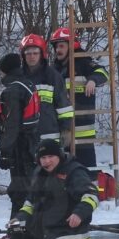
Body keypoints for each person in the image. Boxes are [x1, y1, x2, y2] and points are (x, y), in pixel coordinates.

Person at [8, 139, 100, 239]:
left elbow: (91, 195)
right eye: (43, 158)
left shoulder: (74, 171)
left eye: (51, 157)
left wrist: (79, 214)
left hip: (68, 234)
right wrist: (17, 220)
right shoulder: (39, 174)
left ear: (60, 155)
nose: (47, 162)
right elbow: (30, 204)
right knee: (15, 233)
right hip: (47, 232)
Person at [50, 27, 109, 168]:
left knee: (87, 169)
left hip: (83, 128)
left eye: (62, 46)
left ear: (72, 45)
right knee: (64, 169)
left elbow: (103, 73)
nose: (58, 49)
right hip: (63, 128)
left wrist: (93, 80)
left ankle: (91, 189)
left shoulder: (83, 62)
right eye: (56, 46)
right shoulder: (54, 69)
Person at [0, 52, 40, 219]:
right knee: (27, 185)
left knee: (19, 189)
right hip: (32, 142)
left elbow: (12, 125)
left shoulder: (13, 91)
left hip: (20, 147)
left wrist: (5, 152)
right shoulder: (28, 84)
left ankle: (19, 226)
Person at [20, 33, 72, 143]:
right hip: (24, 136)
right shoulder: (19, 77)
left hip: (50, 133)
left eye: (35, 53)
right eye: (28, 53)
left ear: (42, 54)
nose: (32, 56)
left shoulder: (52, 76)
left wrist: (66, 129)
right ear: (23, 56)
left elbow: (63, 105)